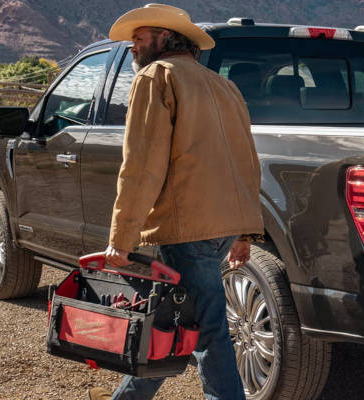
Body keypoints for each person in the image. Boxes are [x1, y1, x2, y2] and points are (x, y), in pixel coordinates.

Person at [87, 4, 263, 400]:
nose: (132, 46)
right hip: (222, 226)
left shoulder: (157, 75)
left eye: (139, 37)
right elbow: (246, 161)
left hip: (188, 228)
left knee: (206, 330)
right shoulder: (223, 85)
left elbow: (141, 164)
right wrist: (244, 232)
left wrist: (122, 236)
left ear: (165, 38)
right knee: (171, 318)